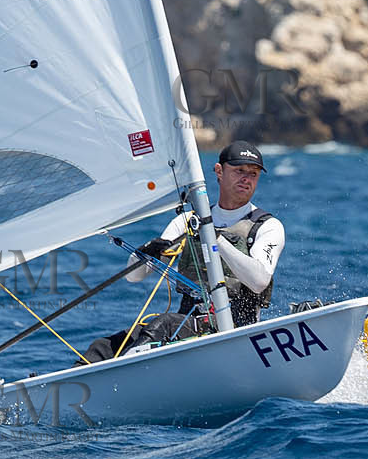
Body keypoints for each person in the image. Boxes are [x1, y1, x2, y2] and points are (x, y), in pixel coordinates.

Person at [81, 140, 285, 362]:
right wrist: (147, 252)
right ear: (219, 171)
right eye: (239, 171)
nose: (246, 178)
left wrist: (215, 237)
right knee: (103, 347)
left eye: (253, 173)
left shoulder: (267, 226)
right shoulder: (187, 221)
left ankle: (124, 373)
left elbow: (259, 281)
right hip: (187, 323)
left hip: (234, 329)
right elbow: (133, 276)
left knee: (163, 325)